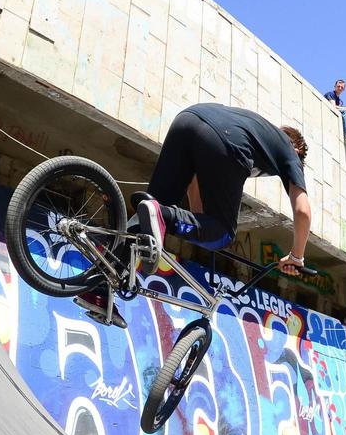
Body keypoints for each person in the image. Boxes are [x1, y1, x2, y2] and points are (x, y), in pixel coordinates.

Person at [76, 103, 312, 327]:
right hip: (225, 138)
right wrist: (297, 257)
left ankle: (98, 289)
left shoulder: (256, 130)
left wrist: (198, 223)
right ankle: (162, 215)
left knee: (148, 216)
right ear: (298, 149)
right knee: (222, 234)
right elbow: (302, 211)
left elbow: (195, 179)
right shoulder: (288, 150)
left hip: (187, 119)